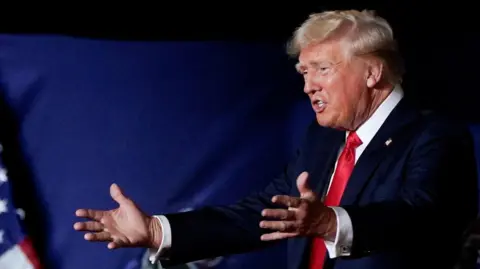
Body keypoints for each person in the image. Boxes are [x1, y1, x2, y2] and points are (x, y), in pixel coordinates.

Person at [73, 9, 478, 269]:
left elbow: (420, 220)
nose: (308, 86)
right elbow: (261, 215)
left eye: (321, 69)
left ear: (371, 74)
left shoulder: (434, 136)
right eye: (303, 73)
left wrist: (328, 221)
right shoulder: (322, 141)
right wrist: (157, 230)